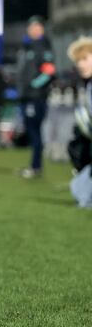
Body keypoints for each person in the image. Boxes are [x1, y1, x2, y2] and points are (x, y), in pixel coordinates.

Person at [15, 15, 56, 178]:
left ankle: (36, 167)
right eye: (32, 27)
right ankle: (34, 166)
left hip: (36, 97)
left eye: (37, 27)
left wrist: (33, 86)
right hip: (27, 97)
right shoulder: (27, 47)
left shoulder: (43, 47)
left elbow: (49, 72)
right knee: (32, 131)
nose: (34, 30)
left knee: (35, 132)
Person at [67, 36, 92, 207]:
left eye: (85, 59)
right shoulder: (86, 85)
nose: (80, 64)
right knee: (78, 188)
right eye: (78, 61)